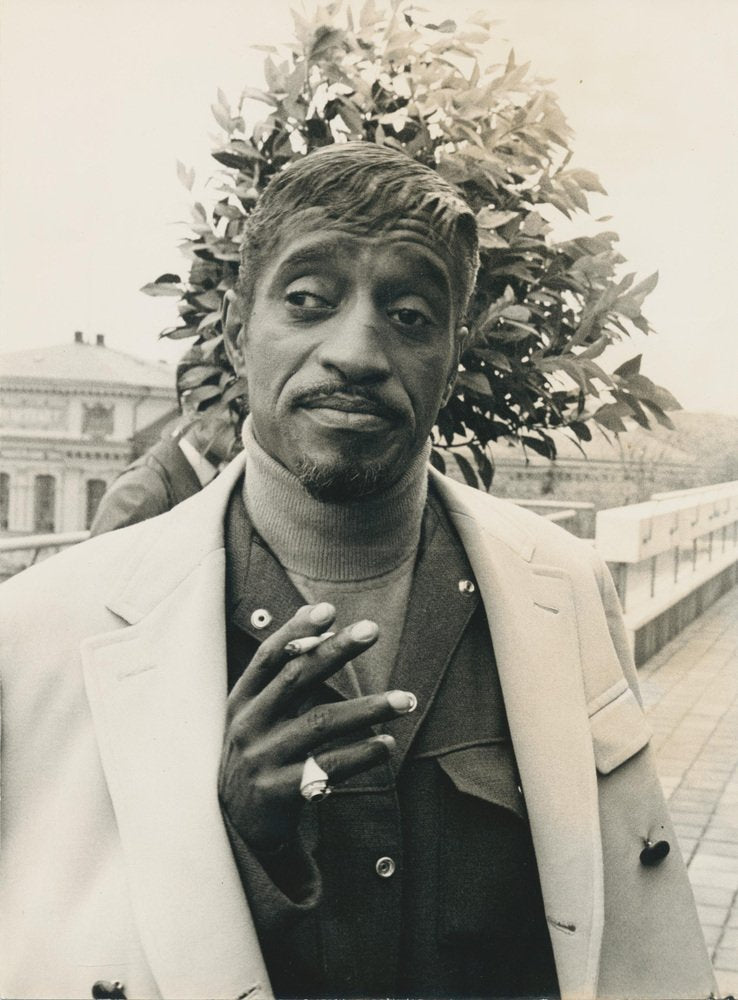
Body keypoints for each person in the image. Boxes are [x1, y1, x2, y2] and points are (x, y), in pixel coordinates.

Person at [0, 143, 717, 1000]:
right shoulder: (40, 635)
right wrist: (226, 841)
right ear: (236, 332)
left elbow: (629, 930)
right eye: (308, 300)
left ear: (453, 353)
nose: (357, 352)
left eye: (411, 314)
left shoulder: (565, 588)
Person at [89, 362, 240, 535]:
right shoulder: (141, 491)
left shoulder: (216, 480)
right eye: (233, 406)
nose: (243, 421)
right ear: (192, 409)